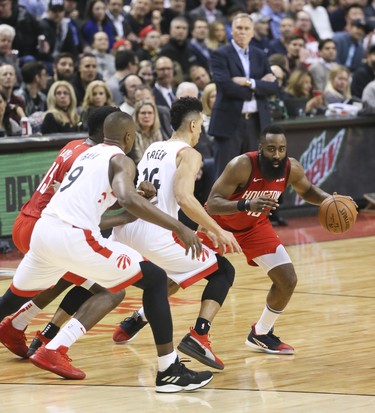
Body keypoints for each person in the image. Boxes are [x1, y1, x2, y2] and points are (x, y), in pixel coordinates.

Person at [0, 110, 212, 392]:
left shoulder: (85, 154)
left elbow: (101, 205)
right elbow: (125, 197)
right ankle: (168, 370)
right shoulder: (121, 159)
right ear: (128, 136)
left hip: (44, 233)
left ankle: (40, 337)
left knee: (13, 297)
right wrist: (179, 226)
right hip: (72, 238)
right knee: (154, 278)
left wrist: (129, 209)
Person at [111, 97, 241, 371]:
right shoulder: (189, 154)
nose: (202, 130)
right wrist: (219, 230)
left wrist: (200, 223)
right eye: (201, 125)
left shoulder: (153, 147)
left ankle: (137, 318)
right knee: (223, 271)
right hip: (156, 232)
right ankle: (199, 336)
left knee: (179, 270)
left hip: (128, 226)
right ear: (193, 124)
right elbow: (183, 197)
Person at [202, 124, 351, 354]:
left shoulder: (291, 168)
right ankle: (138, 319)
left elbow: (307, 190)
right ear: (261, 149)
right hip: (219, 225)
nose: (277, 155)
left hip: (254, 227)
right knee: (179, 276)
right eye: (271, 149)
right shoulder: (241, 165)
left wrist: (329, 201)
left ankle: (260, 333)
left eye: (282, 149)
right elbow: (212, 203)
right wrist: (246, 204)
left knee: (287, 279)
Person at [3, 106, 125, 356]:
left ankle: (17, 325)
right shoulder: (96, 157)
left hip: (27, 221)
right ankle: (54, 347)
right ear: (106, 130)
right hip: (47, 228)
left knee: (64, 276)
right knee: (110, 288)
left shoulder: (74, 145)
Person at [209, 13, 278, 179]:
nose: (242, 32)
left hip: (256, 123)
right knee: (225, 176)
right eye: (239, 28)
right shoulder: (220, 54)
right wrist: (258, 85)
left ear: (253, 32)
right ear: (231, 31)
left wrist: (249, 83)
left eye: (247, 28)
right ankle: (218, 206)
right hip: (229, 122)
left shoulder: (260, 54)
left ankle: (249, 206)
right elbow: (226, 86)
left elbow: (273, 87)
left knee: (253, 174)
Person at [129, 99, 163, 165]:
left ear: (154, 115)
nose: (146, 116)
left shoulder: (157, 133)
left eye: (150, 113)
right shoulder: (132, 134)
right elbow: (137, 160)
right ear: (136, 116)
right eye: (143, 113)